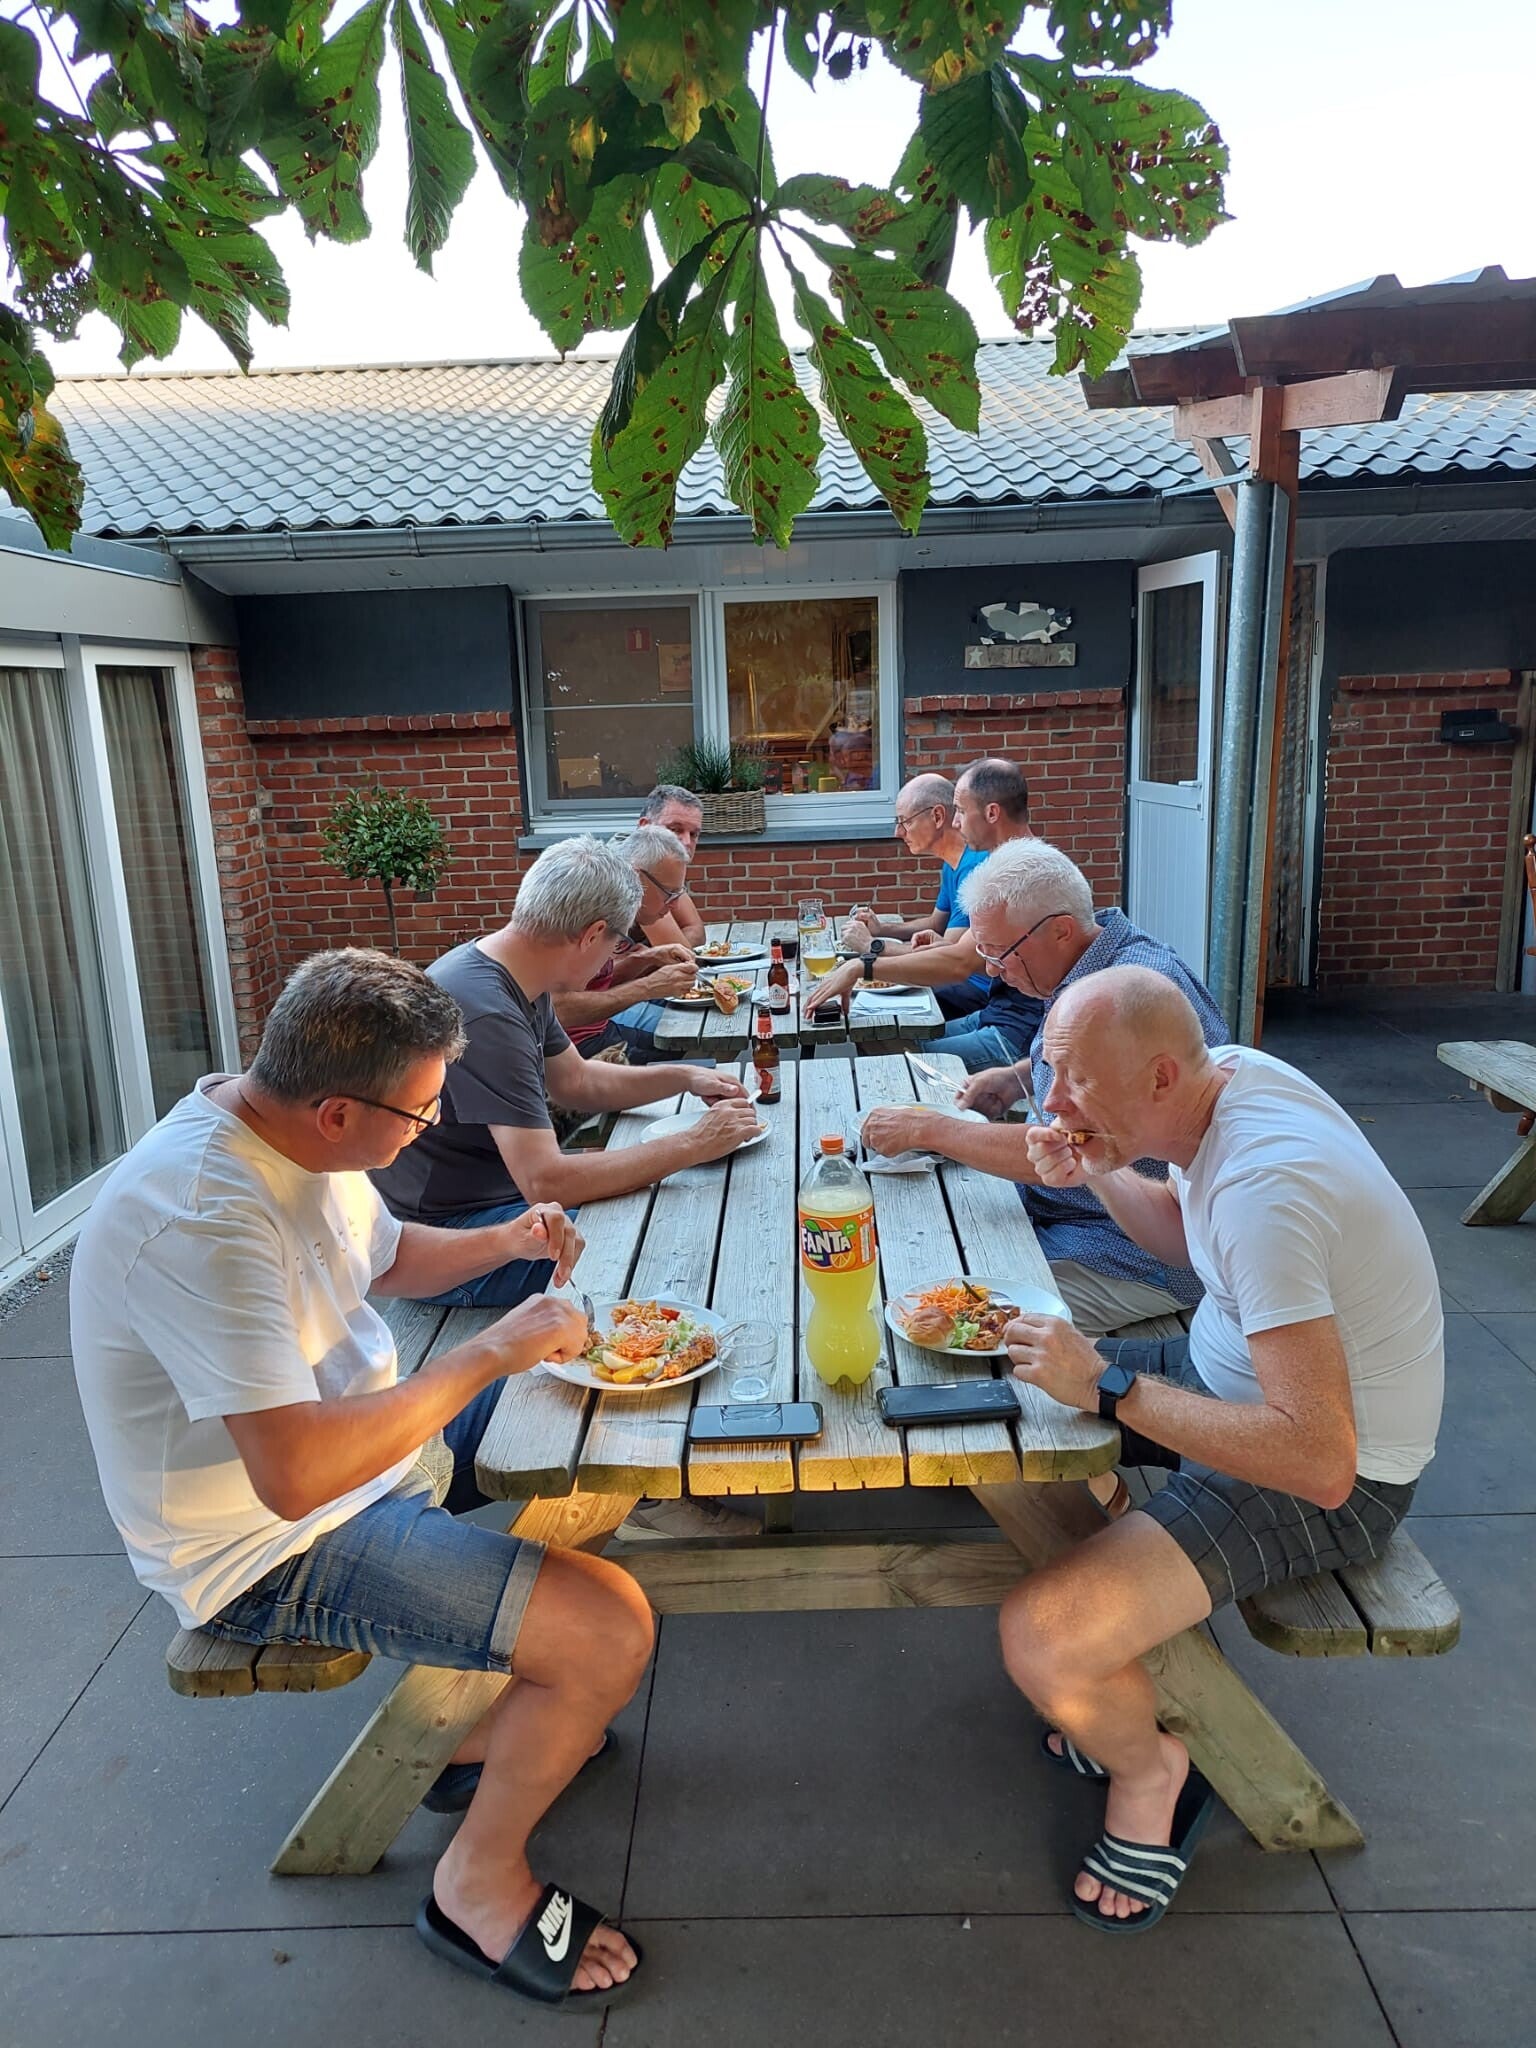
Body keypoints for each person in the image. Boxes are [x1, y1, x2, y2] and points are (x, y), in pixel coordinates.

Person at [70, 948, 649, 2006]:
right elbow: (293, 1476)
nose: (431, 1126)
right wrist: (491, 1351)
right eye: (423, 1112)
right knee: (608, 1629)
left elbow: (384, 1257)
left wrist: (507, 1241)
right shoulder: (201, 1214)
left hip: (366, 1461)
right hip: (265, 1546)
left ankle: (478, 1742)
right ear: (339, 1111)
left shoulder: (298, 1131)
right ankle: (475, 1885)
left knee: (606, 1413)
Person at [995, 964, 1443, 1933]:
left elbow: (1320, 1459)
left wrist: (1108, 1385)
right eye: (1051, 1072)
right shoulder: (1227, 1076)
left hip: (1334, 1473)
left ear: (1160, 1075)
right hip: (1231, 1382)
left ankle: (1151, 1772)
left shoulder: (1265, 1191)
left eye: (1077, 1078)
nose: (1052, 1101)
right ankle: (1119, 1656)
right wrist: (1096, 1164)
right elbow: (1176, 1233)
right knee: (1003, 1401)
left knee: (1044, 1633)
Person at [858, 839, 1227, 1340]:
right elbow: (1092, 1084)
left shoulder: (1125, 993)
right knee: (920, 1236)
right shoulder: (1099, 957)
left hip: (1134, 1248)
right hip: (1076, 1208)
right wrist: (1017, 1077)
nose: (991, 969)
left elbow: (1063, 1149)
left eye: (1000, 952)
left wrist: (930, 1129)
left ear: (1061, 930)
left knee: (948, 1311)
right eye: (984, 951)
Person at [372, 834, 759, 1309]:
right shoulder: (487, 1013)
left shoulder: (513, 974)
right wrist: (694, 1143)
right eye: (618, 942)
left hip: (495, 1206)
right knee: (658, 1239)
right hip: (451, 1241)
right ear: (592, 934)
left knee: (669, 1203)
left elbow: (578, 1081)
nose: (613, 958)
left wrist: (686, 1078)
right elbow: (547, 1182)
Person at [806, 757, 1041, 1070]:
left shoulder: (1016, 873)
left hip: (1019, 1034)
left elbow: (960, 964)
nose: (955, 823)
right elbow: (967, 952)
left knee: (892, 1061)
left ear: (992, 813)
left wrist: (864, 965)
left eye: (961, 811)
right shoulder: (1012, 864)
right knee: (877, 1035)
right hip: (995, 1014)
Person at [840, 772, 992, 1019]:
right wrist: (882, 929)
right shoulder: (953, 863)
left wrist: (872, 946)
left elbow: (946, 957)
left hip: (975, 990)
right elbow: (935, 923)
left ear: (937, 816)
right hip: (955, 981)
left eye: (905, 821)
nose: (897, 832)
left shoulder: (974, 868)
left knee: (868, 1014)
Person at [555, 825, 699, 1060]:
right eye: (669, 894)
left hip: (600, 1029)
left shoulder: (611, 909)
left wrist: (644, 958)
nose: (674, 905)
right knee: (695, 1049)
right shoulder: (584, 914)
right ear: (636, 876)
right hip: (575, 1050)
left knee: (692, 1039)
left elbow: (594, 986)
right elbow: (558, 1009)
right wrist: (648, 987)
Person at [634, 783, 707, 947]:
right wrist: (661, 955)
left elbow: (695, 929)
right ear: (645, 827)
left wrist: (653, 955)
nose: (686, 842)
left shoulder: (664, 865)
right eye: (674, 829)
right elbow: (677, 955)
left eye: (694, 834)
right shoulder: (637, 867)